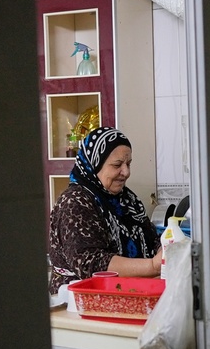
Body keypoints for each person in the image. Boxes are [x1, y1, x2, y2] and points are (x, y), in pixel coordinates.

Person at [48, 126, 161, 294]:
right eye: (117, 165)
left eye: (128, 164)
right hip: (77, 303)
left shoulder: (127, 200)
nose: (126, 172)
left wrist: (165, 249)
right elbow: (90, 263)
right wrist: (152, 266)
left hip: (126, 295)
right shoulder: (75, 202)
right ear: (94, 164)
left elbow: (152, 239)